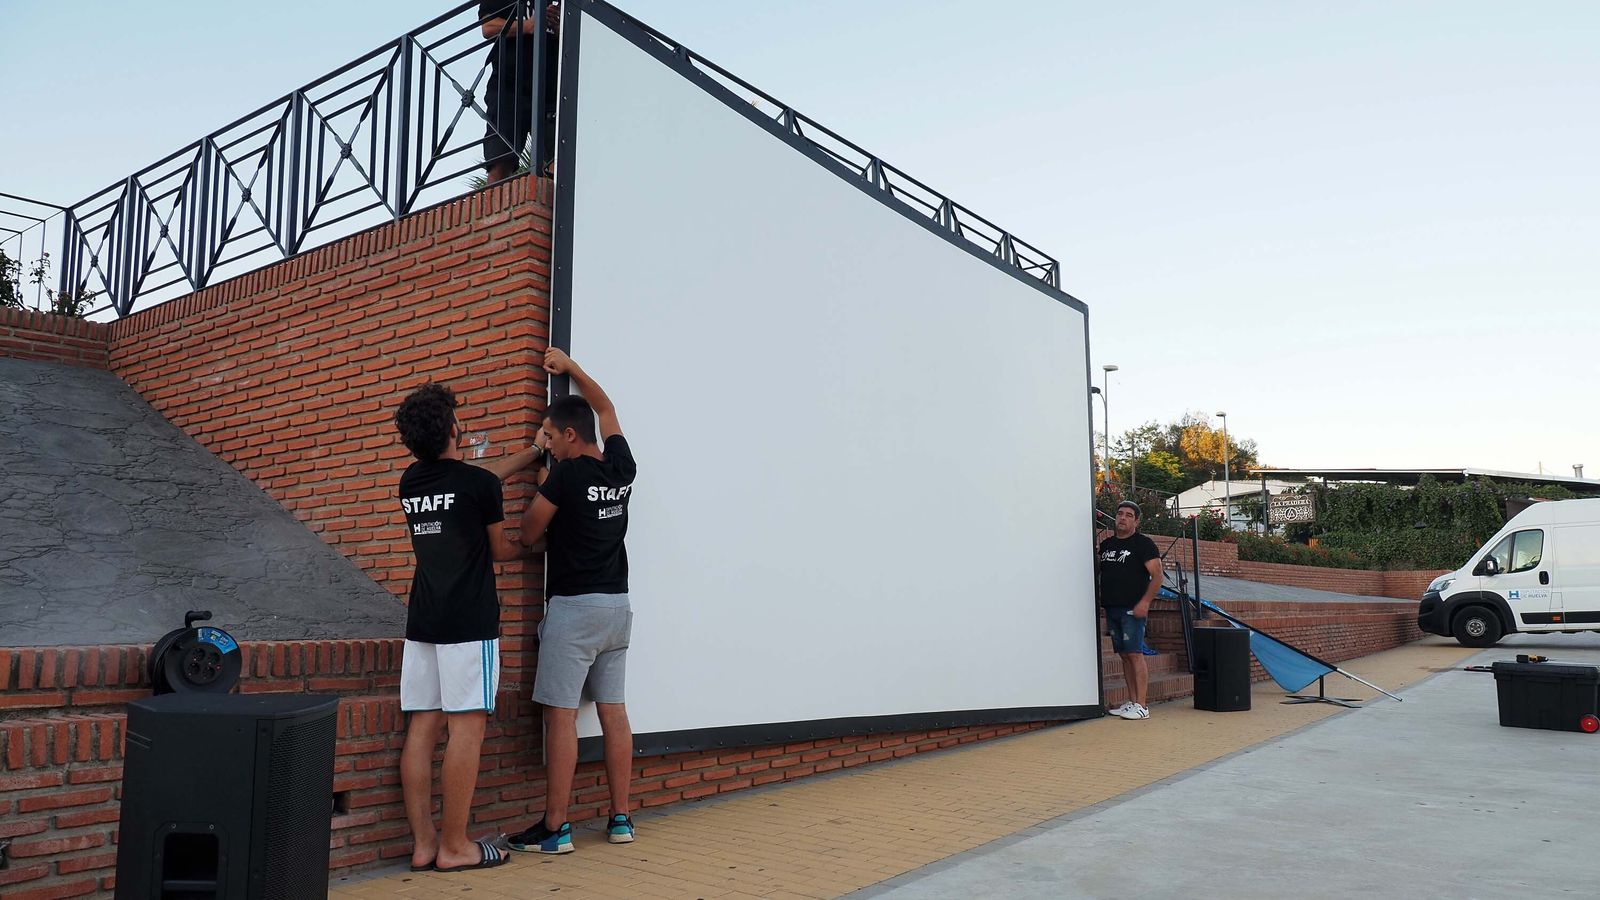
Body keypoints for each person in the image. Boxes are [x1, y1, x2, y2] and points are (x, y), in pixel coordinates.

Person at [394, 382, 544, 872]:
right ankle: (456, 847)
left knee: (423, 728)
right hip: (469, 624)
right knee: (467, 730)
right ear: (454, 428)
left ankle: (424, 844)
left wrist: (531, 453)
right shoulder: (477, 487)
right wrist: (536, 546)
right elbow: (500, 547)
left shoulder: (411, 482)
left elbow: (472, 481)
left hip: (424, 622)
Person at [509, 347, 638, 854]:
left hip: (574, 610)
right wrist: (572, 369)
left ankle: (556, 827)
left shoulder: (565, 475)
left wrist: (543, 479)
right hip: (616, 609)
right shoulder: (619, 467)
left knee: (560, 716)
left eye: (549, 436)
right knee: (614, 714)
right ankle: (621, 819)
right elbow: (605, 410)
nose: (548, 444)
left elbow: (526, 532)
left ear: (567, 434)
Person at [480, 1, 561, 184]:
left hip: (553, 89)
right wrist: (529, 25)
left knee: (558, 164)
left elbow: (579, 36)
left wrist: (558, 27)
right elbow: (488, 27)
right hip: (509, 86)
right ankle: (494, 211)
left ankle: (553, 210)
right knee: (500, 162)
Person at [1098, 500, 1162, 720]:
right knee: (1124, 655)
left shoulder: (1143, 544)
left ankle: (1142, 705)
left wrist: (1145, 603)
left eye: (1128, 515)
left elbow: (1157, 575)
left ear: (1136, 520)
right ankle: (1132, 701)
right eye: (1120, 514)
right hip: (1112, 608)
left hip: (1132, 610)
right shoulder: (1106, 545)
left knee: (1135, 654)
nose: (1122, 518)